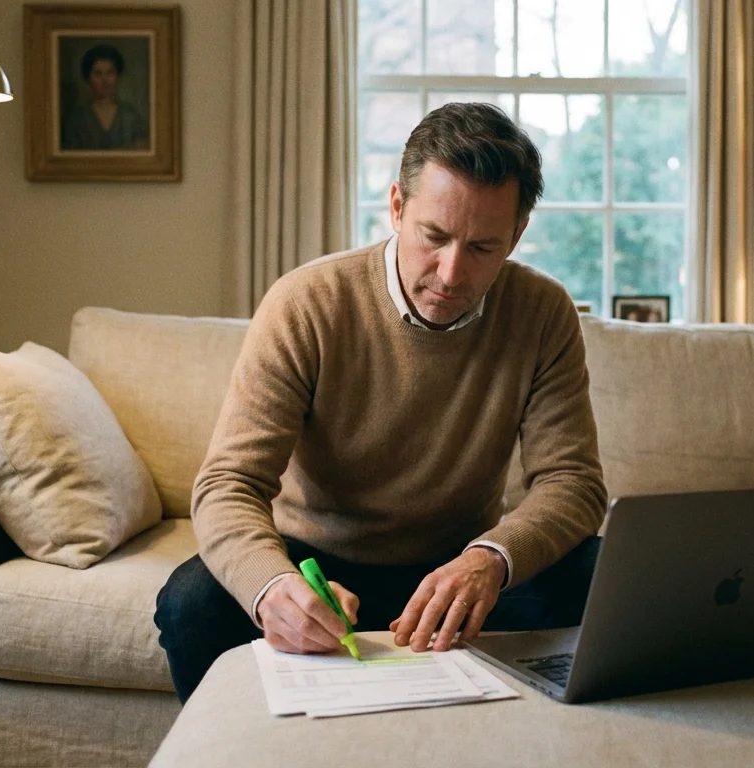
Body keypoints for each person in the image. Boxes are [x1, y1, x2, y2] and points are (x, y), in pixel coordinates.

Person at [154, 102, 607, 703]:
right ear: (397, 207)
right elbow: (228, 484)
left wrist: (491, 559)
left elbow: (573, 483)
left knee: (606, 576)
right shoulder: (306, 303)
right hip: (319, 565)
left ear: (517, 236)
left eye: (482, 248)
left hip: (460, 571)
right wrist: (274, 587)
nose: (450, 273)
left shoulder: (543, 313)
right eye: (434, 237)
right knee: (189, 602)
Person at [61, 43, 149, 151]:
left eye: (110, 73)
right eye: (98, 74)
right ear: (88, 78)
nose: (105, 80)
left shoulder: (132, 117)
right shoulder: (76, 120)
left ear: (117, 76)